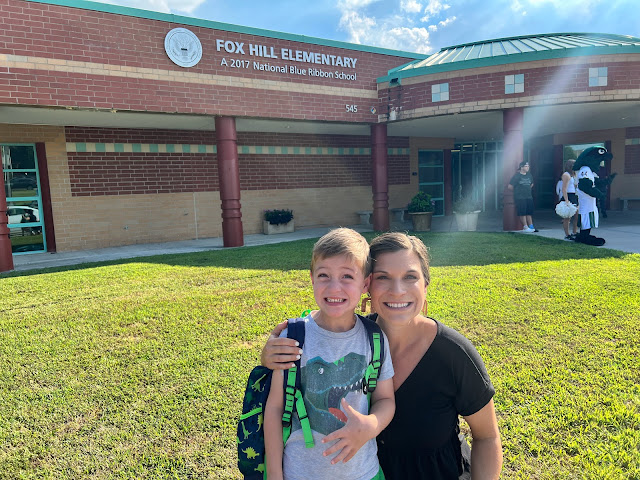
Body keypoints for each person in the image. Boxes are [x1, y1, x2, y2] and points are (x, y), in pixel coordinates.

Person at [262, 232, 502, 480]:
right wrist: (271, 354)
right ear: (368, 285)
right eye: (383, 277)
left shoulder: (452, 353)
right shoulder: (359, 338)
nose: (397, 291)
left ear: (425, 285)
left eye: (410, 277)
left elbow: (487, 436)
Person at [263, 228, 395, 480]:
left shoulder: (375, 338)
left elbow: (386, 399)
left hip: (364, 473)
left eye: (347, 276)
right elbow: (276, 409)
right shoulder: (293, 337)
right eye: (324, 275)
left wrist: (372, 424)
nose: (335, 288)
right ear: (312, 279)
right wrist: (274, 474)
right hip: (299, 473)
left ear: (365, 283)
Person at [507, 160, 537, 232]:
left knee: (529, 212)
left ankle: (531, 226)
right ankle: (525, 227)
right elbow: (510, 186)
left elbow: (532, 184)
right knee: (522, 212)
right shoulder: (517, 176)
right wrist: (518, 191)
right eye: (526, 166)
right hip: (520, 197)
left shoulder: (529, 175)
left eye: (528, 166)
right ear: (521, 167)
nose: (528, 167)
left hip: (529, 196)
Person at [559, 159, 579, 241]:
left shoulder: (574, 175)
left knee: (577, 215)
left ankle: (574, 232)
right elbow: (564, 188)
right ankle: (567, 234)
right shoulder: (566, 175)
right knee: (567, 217)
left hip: (574, 195)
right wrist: (566, 200)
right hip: (568, 195)